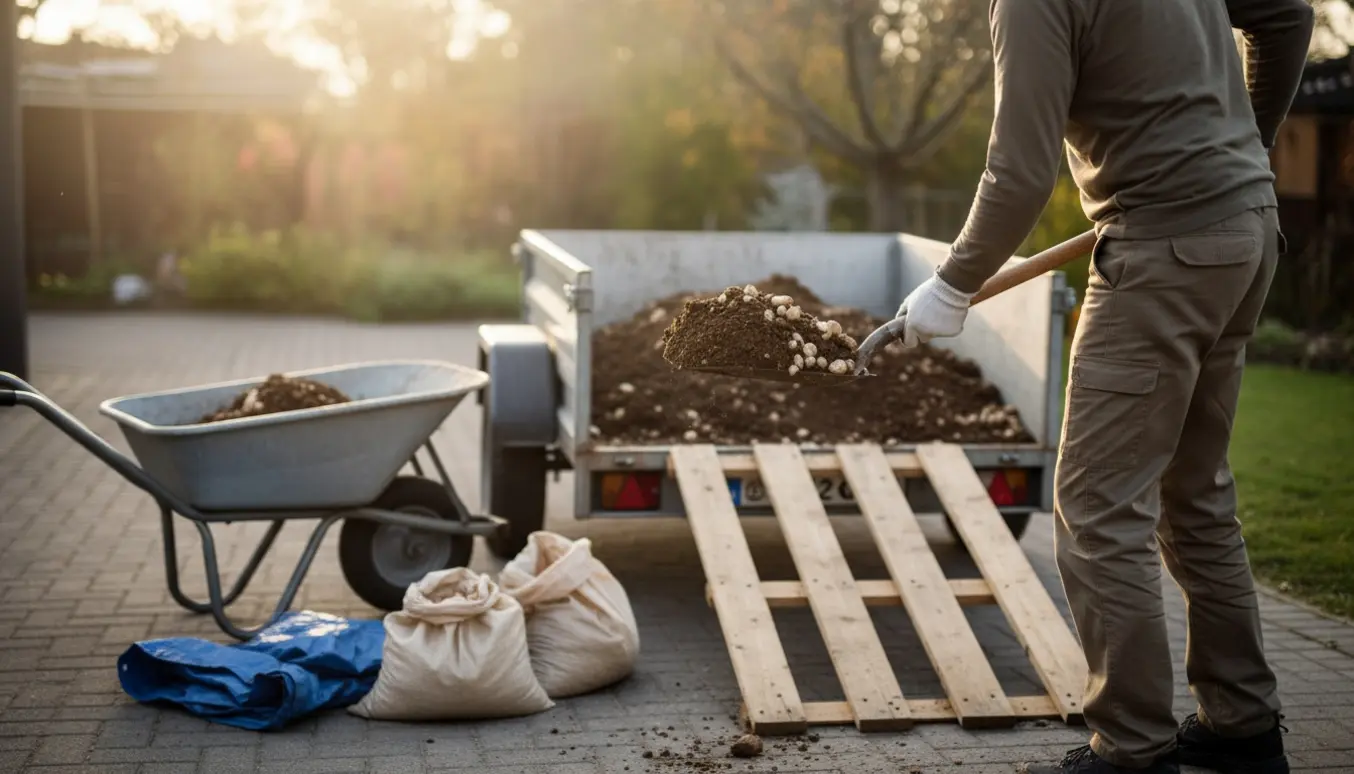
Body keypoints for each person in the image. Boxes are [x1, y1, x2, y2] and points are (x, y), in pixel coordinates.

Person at [892, 0, 1315, 772]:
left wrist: (951, 286)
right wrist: (1243, 148)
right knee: (1195, 495)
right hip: (1246, 231)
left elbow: (1017, 174)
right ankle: (1243, 727)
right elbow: (1287, 14)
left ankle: (1132, 749)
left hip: (1164, 250)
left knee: (1097, 510)